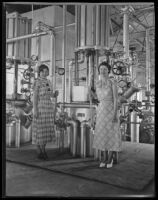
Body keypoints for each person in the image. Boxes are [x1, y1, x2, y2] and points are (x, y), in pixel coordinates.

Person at [92, 61, 121, 168]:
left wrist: (114, 115)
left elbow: (115, 99)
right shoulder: (97, 83)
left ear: (108, 70)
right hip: (101, 110)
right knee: (101, 134)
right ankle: (103, 158)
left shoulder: (113, 82)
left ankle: (110, 159)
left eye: (104, 69)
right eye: (101, 69)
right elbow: (97, 97)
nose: (102, 71)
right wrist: (91, 93)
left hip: (110, 110)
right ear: (99, 71)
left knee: (111, 135)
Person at [32, 64, 58, 160]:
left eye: (47, 71)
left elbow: (50, 94)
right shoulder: (37, 82)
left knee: (46, 130)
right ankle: (42, 151)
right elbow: (34, 97)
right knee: (40, 130)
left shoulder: (49, 81)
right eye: (44, 71)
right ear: (40, 72)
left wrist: (54, 94)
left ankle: (41, 150)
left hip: (48, 107)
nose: (46, 73)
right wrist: (35, 110)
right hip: (40, 106)